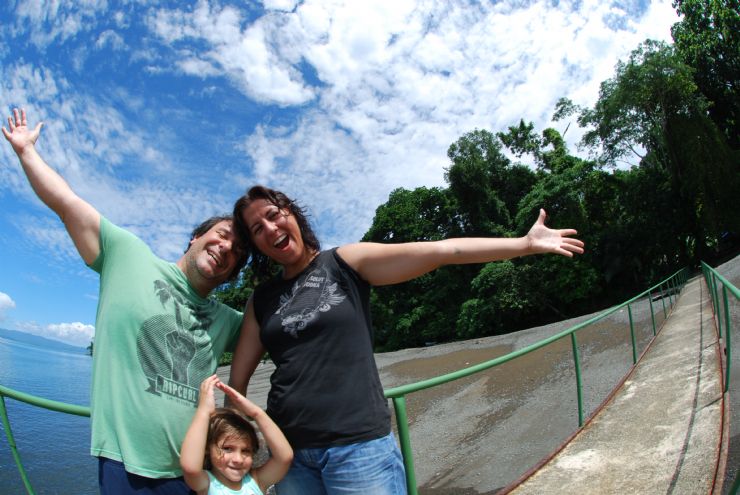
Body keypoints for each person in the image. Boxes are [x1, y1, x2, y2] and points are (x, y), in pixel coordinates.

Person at [227, 185, 585, 494]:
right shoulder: (261, 299)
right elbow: (237, 385)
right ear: (257, 244)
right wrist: (232, 451)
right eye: (257, 228)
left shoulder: (344, 262)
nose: (270, 227)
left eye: (274, 214)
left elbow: (444, 251)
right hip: (289, 456)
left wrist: (523, 244)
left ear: (292, 213)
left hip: (358, 447)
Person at [2, 108, 249, 494]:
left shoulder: (230, 320)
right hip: (125, 465)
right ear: (195, 237)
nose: (225, 248)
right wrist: (26, 152)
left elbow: (281, 318)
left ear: (233, 273)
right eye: (220, 234)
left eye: (236, 252)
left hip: (195, 471)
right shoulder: (128, 255)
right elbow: (66, 202)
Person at [181, 374, 293, 495]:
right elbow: (190, 468)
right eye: (228, 449)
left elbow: (284, 458)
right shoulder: (206, 483)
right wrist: (204, 411)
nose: (238, 459)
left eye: (246, 451)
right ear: (208, 447)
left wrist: (256, 413)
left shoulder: (256, 481)